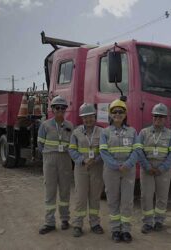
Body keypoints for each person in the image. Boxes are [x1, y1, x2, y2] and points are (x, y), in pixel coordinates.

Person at [99, 99, 142, 243]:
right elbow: (103, 152)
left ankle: (126, 230)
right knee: (113, 200)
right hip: (111, 171)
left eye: (121, 111)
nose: (118, 114)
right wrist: (116, 166)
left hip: (128, 170)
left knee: (127, 201)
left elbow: (137, 150)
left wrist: (128, 164)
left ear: (125, 114)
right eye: (114, 111)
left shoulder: (132, 131)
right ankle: (116, 230)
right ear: (110, 114)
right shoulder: (105, 132)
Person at [138, 103, 171, 234]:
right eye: (156, 116)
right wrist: (147, 166)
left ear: (165, 118)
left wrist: (163, 168)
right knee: (146, 196)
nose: (158, 119)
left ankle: (159, 220)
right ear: (152, 117)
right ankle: (148, 222)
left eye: (161, 116)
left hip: (163, 170)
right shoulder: (144, 133)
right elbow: (138, 151)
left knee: (162, 196)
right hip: (147, 169)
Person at [37, 96, 74, 234]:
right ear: (52, 109)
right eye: (57, 107)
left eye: (63, 108)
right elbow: (40, 144)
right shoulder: (45, 125)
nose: (60, 110)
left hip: (65, 159)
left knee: (65, 191)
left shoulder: (70, 126)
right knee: (50, 191)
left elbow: (73, 145)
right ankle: (49, 222)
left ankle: (65, 219)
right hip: (50, 160)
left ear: (65, 110)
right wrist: (47, 155)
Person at [68, 103, 104, 237]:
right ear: (81, 119)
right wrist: (82, 160)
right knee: (81, 197)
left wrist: (96, 159)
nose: (88, 120)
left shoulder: (102, 132)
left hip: (96, 168)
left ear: (95, 116)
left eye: (90, 117)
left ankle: (95, 223)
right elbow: (71, 149)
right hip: (81, 168)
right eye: (85, 117)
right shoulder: (76, 132)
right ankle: (78, 224)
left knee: (95, 196)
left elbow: (104, 150)